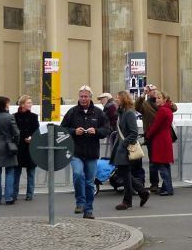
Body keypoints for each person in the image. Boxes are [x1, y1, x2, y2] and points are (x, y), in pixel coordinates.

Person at [61, 86, 110, 217]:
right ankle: (80, 203)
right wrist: (73, 131)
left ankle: (88, 210)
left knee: (89, 182)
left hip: (92, 153)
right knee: (78, 174)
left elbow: (107, 129)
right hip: (75, 152)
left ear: (90, 97)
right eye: (81, 96)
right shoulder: (72, 112)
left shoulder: (99, 113)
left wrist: (97, 132)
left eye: (86, 96)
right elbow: (62, 129)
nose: (83, 99)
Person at [111, 91, 150, 210]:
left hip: (125, 149)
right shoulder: (121, 113)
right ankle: (142, 192)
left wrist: (123, 144)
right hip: (121, 148)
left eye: (118, 98)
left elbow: (134, 133)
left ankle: (127, 201)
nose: (116, 100)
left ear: (124, 99)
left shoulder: (129, 114)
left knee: (125, 174)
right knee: (125, 173)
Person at [0, 96, 20, 205]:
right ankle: (9, 197)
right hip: (8, 146)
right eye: (8, 104)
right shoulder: (10, 117)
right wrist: (15, 142)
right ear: (5, 105)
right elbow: (16, 133)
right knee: (10, 171)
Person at [146, 90, 176, 196]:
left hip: (160, 139)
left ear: (165, 99)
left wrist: (148, 135)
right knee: (165, 164)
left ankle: (168, 188)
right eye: (156, 98)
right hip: (166, 137)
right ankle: (167, 187)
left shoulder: (162, 110)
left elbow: (156, 125)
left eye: (159, 98)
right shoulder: (168, 109)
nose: (157, 100)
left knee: (160, 164)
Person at [13, 95, 39, 201]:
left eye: (31, 103)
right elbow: (13, 131)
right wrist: (23, 137)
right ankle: (14, 194)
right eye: (28, 103)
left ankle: (29, 194)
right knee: (16, 172)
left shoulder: (34, 116)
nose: (30, 105)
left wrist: (32, 137)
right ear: (22, 104)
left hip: (30, 147)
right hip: (18, 147)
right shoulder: (14, 116)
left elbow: (37, 130)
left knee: (31, 172)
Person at [135, 85, 159, 191]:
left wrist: (165, 98)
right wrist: (143, 94)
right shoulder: (145, 104)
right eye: (152, 91)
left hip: (161, 135)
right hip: (150, 135)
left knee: (163, 160)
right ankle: (154, 184)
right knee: (153, 160)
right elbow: (136, 106)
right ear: (148, 93)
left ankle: (167, 183)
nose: (155, 92)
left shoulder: (160, 102)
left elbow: (174, 108)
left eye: (155, 90)